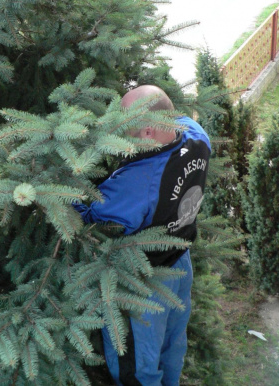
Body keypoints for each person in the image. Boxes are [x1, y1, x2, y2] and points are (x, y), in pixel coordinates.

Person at [73, 85, 211, 386]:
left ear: (148, 132)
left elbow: (89, 218)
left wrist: (63, 188)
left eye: (126, 131)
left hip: (145, 281)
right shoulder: (197, 136)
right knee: (173, 345)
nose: (120, 140)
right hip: (181, 264)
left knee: (138, 370)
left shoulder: (137, 182)